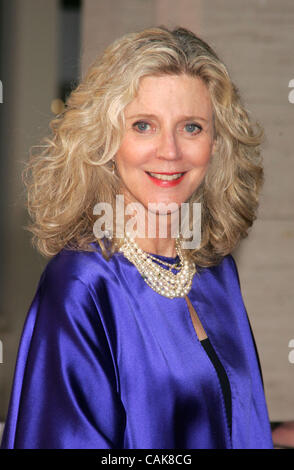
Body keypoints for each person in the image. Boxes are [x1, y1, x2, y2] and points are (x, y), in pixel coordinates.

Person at [1, 26, 273, 449]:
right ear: (106, 141)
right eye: (143, 125)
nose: (169, 151)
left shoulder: (216, 274)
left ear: (217, 145)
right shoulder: (82, 286)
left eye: (192, 127)